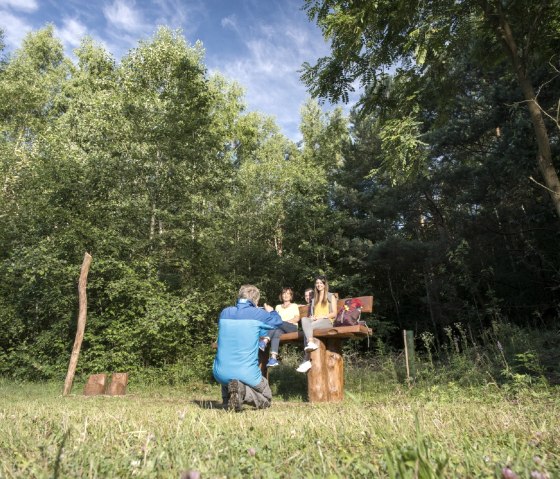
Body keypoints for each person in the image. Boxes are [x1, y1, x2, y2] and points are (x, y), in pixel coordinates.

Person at [213, 284, 283, 411]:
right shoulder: (258, 314)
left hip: (220, 373)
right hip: (246, 373)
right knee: (266, 396)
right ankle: (243, 392)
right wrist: (271, 311)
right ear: (255, 300)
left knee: (229, 369)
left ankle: (227, 400)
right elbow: (277, 322)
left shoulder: (225, 312)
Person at [296, 275, 337, 373]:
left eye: (321, 283)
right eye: (317, 283)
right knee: (305, 320)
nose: (319, 285)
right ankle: (311, 342)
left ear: (324, 284)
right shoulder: (314, 299)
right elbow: (313, 315)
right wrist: (313, 317)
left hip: (327, 321)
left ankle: (306, 360)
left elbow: (334, 313)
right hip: (316, 322)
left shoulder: (331, 296)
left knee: (307, 329)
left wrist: (321, 317)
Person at [265, 287, 300, 367]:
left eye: (288, 293)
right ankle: (273, 358)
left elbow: (296, 318)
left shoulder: (294, 305)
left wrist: (285, 322)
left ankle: (265, 340)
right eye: (284, 293)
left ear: (291, 296)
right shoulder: (278, 307)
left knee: (277, 323)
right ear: (281, 295)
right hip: (280, 329)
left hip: (292, 327)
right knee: (276, 331)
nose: (286, 295)